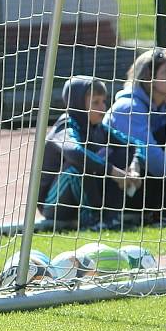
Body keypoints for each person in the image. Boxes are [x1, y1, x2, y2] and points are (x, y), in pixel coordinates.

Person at [37, 76, 143, 230]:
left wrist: (134, 166)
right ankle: (91, 221)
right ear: (78, 104)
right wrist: (112, 171)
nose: (102, 108)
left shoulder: (99, 128)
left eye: (103, 101)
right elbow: (75, 152)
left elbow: (135, 145)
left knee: (122, 153)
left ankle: (110, 218)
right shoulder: (66, 125)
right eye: (95, 103)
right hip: (55, 204)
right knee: (78, 166)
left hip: (86, 199)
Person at [104, 48, 166, 223]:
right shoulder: (128, 107)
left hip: (150, 183)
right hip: (124, 190)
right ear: (148, 77)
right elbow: (149, 156)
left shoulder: (165, 108)